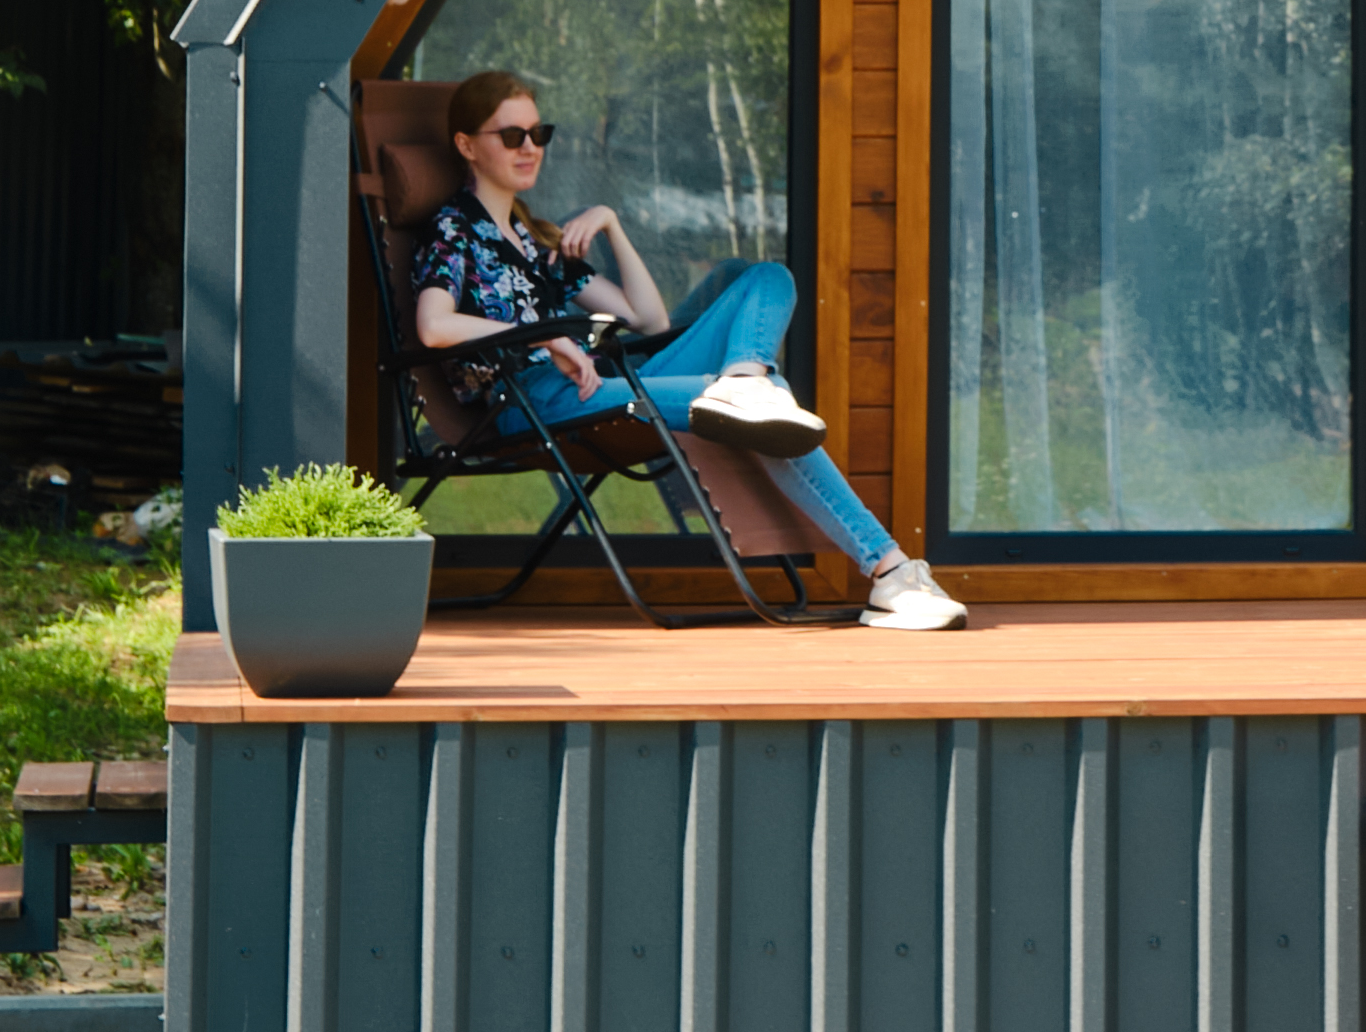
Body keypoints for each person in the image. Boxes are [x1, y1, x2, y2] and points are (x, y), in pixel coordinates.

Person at [411, 67, 964, 627]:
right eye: (512, 136)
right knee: (760, 400)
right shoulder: (454, 229)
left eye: (539, 134)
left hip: (601, 382)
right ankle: (891, 573)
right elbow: (433, 326)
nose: (530, 148)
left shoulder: (538, 241)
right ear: (467, 146)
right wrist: (550, 337)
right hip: (532, 401)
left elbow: (647, 319)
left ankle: (744, 380)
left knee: (763, 277)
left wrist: (612, 224)